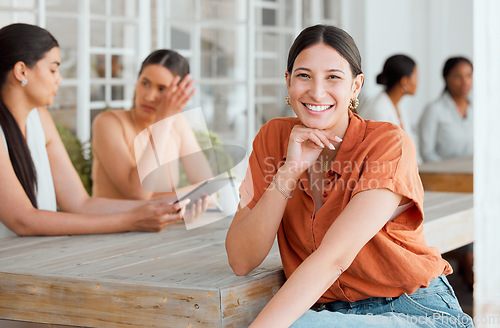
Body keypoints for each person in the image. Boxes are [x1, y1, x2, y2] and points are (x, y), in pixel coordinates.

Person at [225, 25, 473, 327]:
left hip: (412, 308)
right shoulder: (272, 138)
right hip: (328, 313)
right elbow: (241, 259)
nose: (317, 92)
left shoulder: (387, 144)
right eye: (304, 75)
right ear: (288, 81)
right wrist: (289, 172)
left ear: (356, 86)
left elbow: (335, 258)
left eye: (333, 77)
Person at [0, 23, 190, 238]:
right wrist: (131, 220)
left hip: (38, 257)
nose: (59, 79)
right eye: (53, 69)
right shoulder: (109, 122)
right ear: (21, 71)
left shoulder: (40, 118)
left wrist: (167, 206)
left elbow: (80, 203)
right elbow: (23, 221)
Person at [91, 49, 212, 208]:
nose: (149, 96)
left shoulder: (177, 123)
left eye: (162, 89)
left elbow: (208, 188)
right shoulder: (108, 123)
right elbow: (138, 193)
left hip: (162, 228)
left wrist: (187, 202)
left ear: (179, 93)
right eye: (145, 83)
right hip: (112, 231)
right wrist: (162, 122)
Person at [419, 57, 473, 163]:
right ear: (446, 78)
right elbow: (427, 153)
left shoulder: (478, 110)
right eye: (458, 77)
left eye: (469, 76)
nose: (465, 82)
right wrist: (450, 172)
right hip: (443, 176)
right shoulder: (434, 110)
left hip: (475, 176)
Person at [360, 54, 417, 130]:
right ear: (405, 81)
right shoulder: (379, 111)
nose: (417, 82)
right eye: (416, 77)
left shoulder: (397, 107)